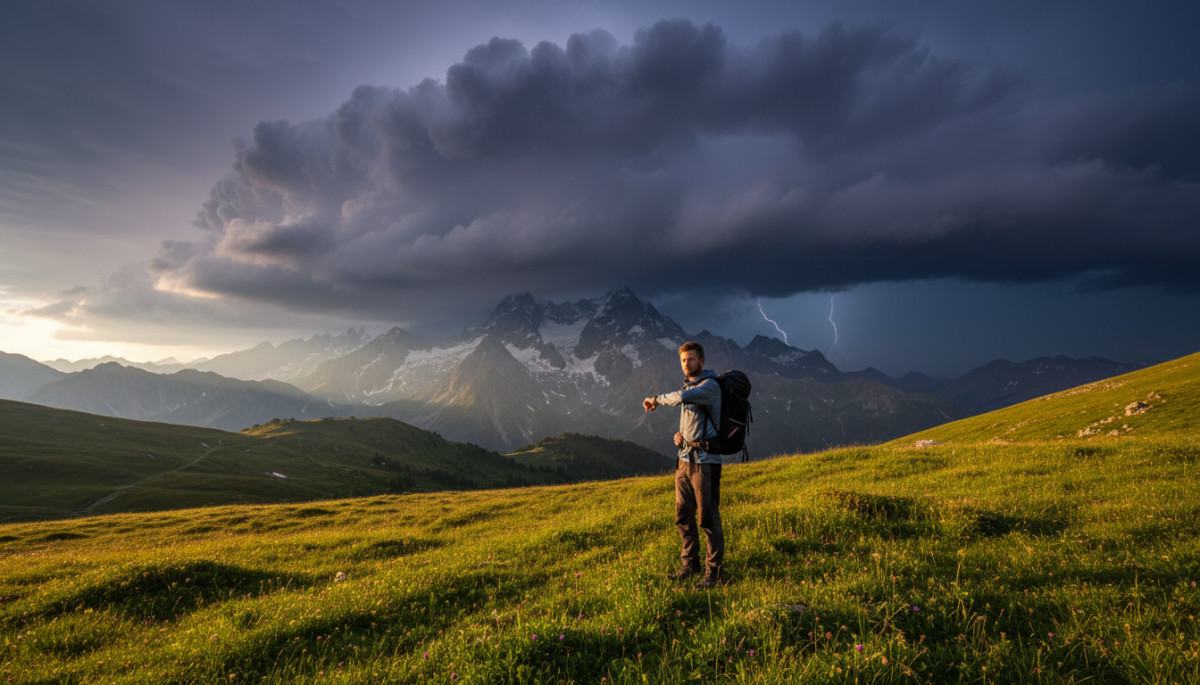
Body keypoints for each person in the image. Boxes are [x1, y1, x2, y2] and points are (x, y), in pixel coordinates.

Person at [643, 341, 725, 587]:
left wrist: (656, 399)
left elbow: (681, 398)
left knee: (707, 519)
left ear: (702, 361)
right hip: (684, 460)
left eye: (690, 359)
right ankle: (690, 565)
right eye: (682, 360)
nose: (686, 364)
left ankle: (714, 574)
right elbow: (691, 418)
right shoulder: (690, 385)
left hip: (705, 463)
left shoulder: (710, 386)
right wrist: (680, 437)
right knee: (682, 516)